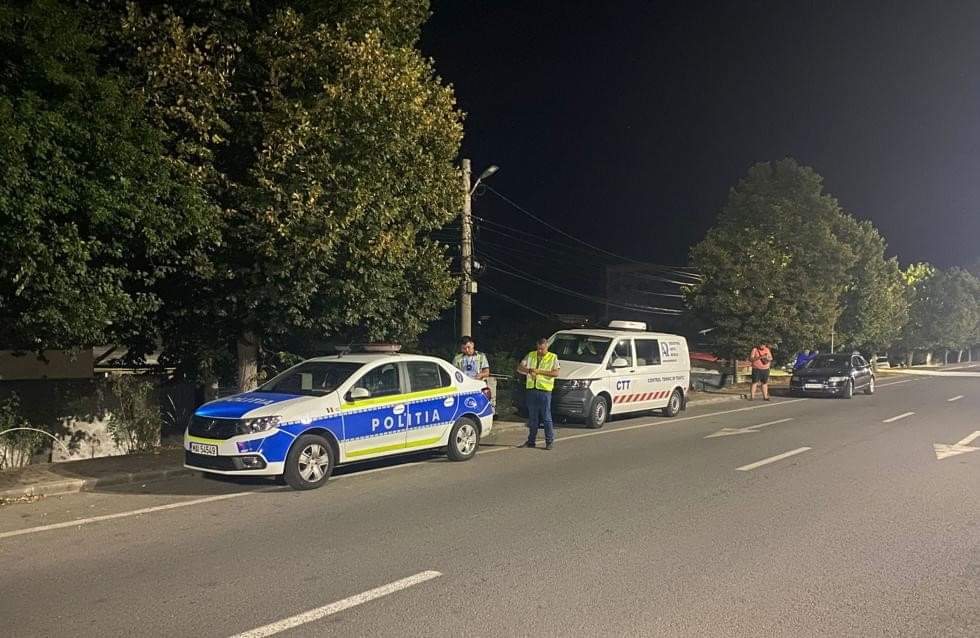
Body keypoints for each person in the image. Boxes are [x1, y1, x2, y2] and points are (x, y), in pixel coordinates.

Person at [517, 338, 561, 450]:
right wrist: (529, 371)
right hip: (532, 389)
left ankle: (549, 441)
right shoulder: (531, 355)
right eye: (538, 349)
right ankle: (531, 441)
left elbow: (556, 373)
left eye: (542, 349)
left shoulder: (553, 357)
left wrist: (539, 372)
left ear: (547, 347)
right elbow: (520, 367)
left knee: (546, 417)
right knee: (533, 418)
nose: (540, 351)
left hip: (545, 391)